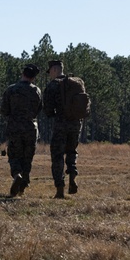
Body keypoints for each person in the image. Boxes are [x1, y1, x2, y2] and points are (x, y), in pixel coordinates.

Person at [0, 63, 43, 197]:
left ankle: (17, 174)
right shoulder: (36, 91)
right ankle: (22, 186)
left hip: (14, 127)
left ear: (22, 74)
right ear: (33, 77)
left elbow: (4, 110)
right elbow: (38, 110)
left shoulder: (11, 90)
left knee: (14, 156)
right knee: (27, 158)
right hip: (31, 128)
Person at [42, 59, 84, 199]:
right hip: (76, 124)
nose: (50, 75)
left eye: (50, 72)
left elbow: (47, 110)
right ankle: (72, 175)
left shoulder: (52, 86)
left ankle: (60, 189)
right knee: (72, 152)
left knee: (57, 156)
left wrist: (55, 114)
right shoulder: (76, 83)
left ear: (54, 70)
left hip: (60, 125)